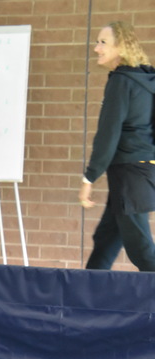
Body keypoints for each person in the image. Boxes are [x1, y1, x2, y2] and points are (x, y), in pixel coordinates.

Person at [79, 21, 155, 272]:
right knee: (106, 241)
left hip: (129, 175)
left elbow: (108, 135)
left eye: (103, 42)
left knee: (142, 252)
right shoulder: (145, 79)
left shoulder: (121, 81)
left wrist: (89, 178)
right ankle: (87, 291)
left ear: (121, 47)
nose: (96, 48)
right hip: (139, 171)